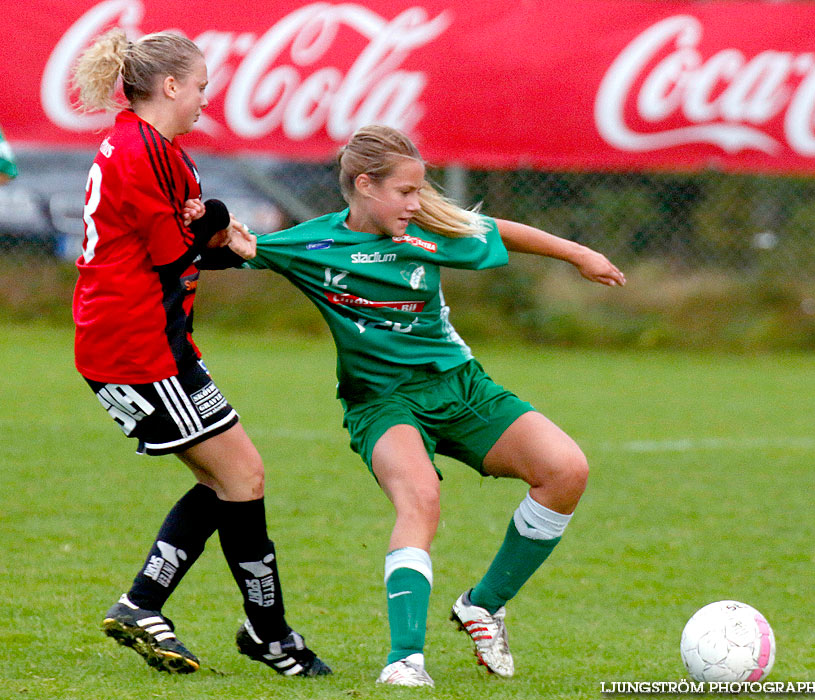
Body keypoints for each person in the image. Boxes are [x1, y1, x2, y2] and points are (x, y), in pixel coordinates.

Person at [232, 124, 626, 686]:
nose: (417, 203)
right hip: (383, 402)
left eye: (420, 191)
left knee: (566, 471)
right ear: (365, 185)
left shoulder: (426, 231)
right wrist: (219, 230)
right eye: (405, 192)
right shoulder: (310, 244)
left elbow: (498, 231)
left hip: (461, 387)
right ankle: (405, 660)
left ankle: (483, 605)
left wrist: (580, 254)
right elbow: (237, 248)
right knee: (421, 499)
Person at [71, 29, 330, 678]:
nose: (204, 101)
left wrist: (215, 237)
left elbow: (180, 248)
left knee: (234, 479)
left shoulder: (148, 145)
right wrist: (214, 223)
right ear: (171, 85)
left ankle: (173, 610)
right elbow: (173, 253)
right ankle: (262, 634)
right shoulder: (147, 151)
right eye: (201, 88)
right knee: (238, 477)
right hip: (137, 349)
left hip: (156, 343)